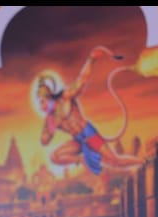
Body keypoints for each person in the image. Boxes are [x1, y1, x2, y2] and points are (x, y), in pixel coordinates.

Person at [37, 46, 144, 180]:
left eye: (42, 101)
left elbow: (81, 81)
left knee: (115, 161)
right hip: (78, 141)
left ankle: (143, 162)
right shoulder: (50, 118)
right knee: (54, 156)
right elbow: (44, 141)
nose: (41, 106)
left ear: (49, 97)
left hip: (89, 134)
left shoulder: (65, 97)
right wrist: (49, 128)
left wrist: (91, 59)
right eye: (39, 103)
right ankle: (81, 159)